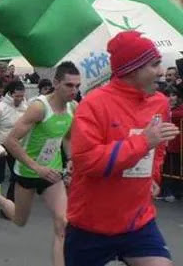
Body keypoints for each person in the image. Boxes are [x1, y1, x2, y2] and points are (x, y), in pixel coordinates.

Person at [65, 31, 177, 266]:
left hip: (138, 221)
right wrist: (143, 141)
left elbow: (160, 147)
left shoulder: (160, 103)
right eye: (154, 64)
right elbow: (87, 161)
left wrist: (155, 175)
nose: (160, 71)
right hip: (90, 224)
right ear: (133, 69)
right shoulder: (93, 104)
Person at [0, 61, 80, 266]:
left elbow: (68, 138)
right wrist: (37, 167)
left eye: (77, 86)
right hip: (27, 172)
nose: (74, 90)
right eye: (69, 85)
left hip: (52, 173)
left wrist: (70, 159)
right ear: (56, 83)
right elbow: (10, 141)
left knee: (62, 223)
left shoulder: (73, 107)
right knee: (20, 220)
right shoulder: (39, 108)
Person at [0, 80, 27, 207]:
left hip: (14, 145)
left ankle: (9, 204)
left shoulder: (26, 108)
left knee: (16, 175)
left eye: (21, 96)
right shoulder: (0, 108)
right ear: (10, 94)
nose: (19, 99)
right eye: (16, 96)